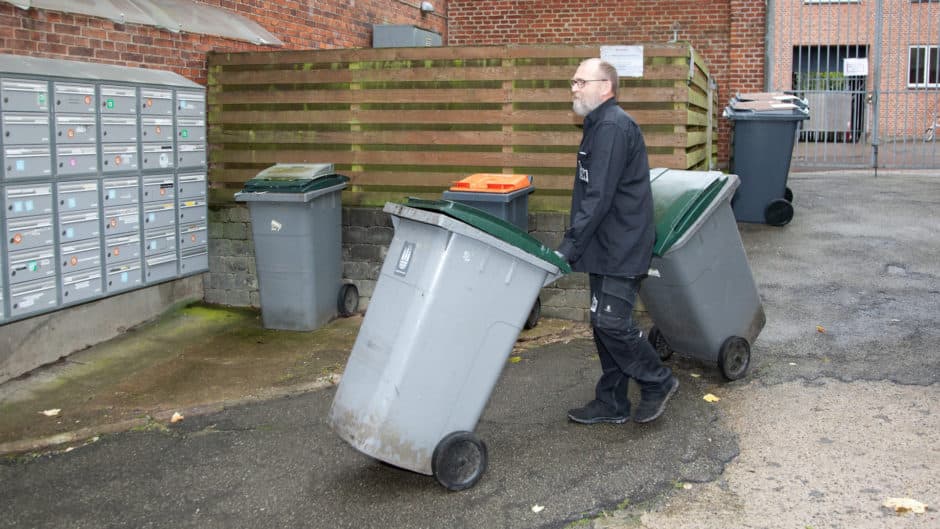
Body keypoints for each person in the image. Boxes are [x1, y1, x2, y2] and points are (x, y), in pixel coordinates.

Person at [555, 58, 678, 425]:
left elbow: (599, 197)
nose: (573, 88)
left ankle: (658, 380)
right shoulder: (597, 125)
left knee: (612, 323)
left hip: (622, 244)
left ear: (605, 87)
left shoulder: (611, 126)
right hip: (605, 244)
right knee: (602, 322)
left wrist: (568, 246)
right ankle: (612, 401)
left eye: (580, 81)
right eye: (572, 81)